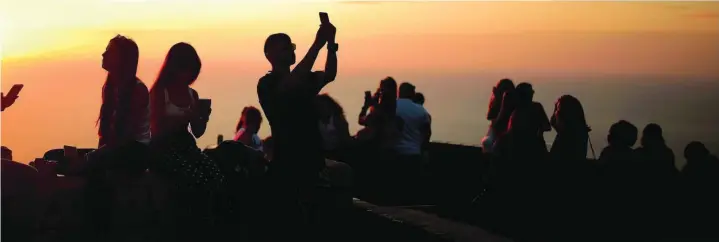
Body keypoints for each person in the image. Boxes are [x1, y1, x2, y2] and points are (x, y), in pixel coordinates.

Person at [255, 19, 338, 237]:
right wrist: (317, 45)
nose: (291, 50)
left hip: (312, 158)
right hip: (288, 162)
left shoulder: (303, 79)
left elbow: (329, 74)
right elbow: (289, 85)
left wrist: (331, 44)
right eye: (286, 47)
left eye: (292, 46)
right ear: (271, 54)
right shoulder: (267, 84)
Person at [149, 42, 222, 239]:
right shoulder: (159, 92)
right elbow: (156, 128)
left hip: (185, 145)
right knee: (192, 178)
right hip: (163, 148)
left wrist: (202, 118)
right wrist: (185, 117)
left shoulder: (192, 95)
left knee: (214, 174)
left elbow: (197, 132)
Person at [357, 77, 400, 153]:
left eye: (381, 90)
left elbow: (361, 120)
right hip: (389, 149)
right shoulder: (394, 109)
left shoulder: (379, 112)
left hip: (375, 150)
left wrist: (366, 106)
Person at [394, 82, 431, 164]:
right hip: (414, 154)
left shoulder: (391, 107)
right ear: (411, 93)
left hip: (394, 153)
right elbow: (427, 133)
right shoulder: (421, 111)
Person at [549, 95, 591, 162]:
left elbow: (552, 122)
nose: (556, 114)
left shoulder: (566, 134)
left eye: (558, 111)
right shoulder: (579, 130)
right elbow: (553, 122)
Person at [482, 79, 515, 152]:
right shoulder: (496, 102)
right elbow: (492, 119)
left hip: (505, 133)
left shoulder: (513, 105)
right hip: (497, 131)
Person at [316, 94, 351, 160]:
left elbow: (345, 138)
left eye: (324, 106)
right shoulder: (317, 120)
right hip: (324, 152)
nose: (322, 109)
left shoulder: (338, 119)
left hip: (339, 151)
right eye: (319, 106)